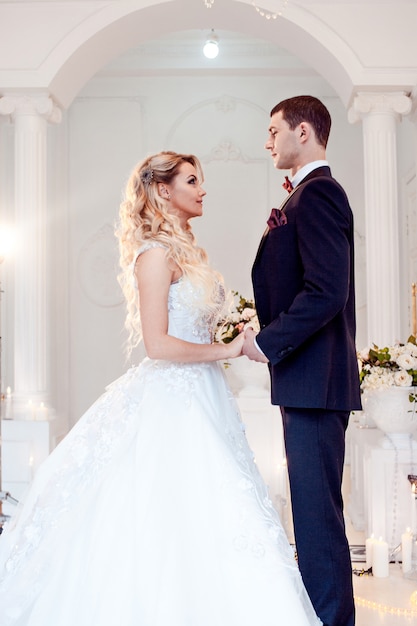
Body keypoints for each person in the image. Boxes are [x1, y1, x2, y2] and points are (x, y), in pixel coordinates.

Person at [0, 151, 321, 626]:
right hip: (172, 399)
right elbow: (158, 345)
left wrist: (234, 338)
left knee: (216, 510)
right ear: (164, 190)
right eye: (193, 180)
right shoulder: (154, 254)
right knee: (172, 509)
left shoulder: (190, 250)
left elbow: (197, 330)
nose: (204, 188)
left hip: (206, 395)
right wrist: (229, 351)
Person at [242, 97, 362, 626]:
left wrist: (267, 342)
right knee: (313, 520)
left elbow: (326, 291)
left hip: (316, 383)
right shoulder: (304, 198)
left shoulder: (319, 196)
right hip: (307, 383)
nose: (268, 142)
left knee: (317, 522)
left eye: (274, 131)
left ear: (304, 132)